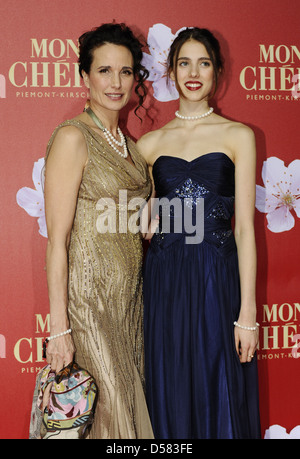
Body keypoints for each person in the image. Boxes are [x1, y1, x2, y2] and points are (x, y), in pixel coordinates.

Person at [137, 27, 261, 439]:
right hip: (165, 280)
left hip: (217, 280)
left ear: (217, 71)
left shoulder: (238, 136)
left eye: (203, 63)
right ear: (170, 71)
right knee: (170, 384)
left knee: (219, 385)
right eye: (184, 63)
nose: (193, 72)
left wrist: (248, 312)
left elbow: (244, 228)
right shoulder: (149, 144)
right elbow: (143, 221)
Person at [43, 23, 153, 439]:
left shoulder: (128, 144)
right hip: (89, 307)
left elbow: (129, 212)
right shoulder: (74, 137)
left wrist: (148, 213)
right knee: (108, 420)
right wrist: (59, 329)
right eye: (104, 71)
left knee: (126, 411)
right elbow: (57, 242)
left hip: (129, 305)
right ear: (84, 77)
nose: (116, 82)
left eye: (125, 72)